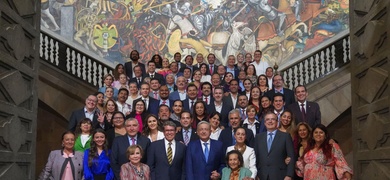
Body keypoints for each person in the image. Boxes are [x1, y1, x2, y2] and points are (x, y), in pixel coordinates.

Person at [254, 112, 295, 180]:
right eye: (267, 119)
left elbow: (291, 157)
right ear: (264, 123)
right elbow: (256, 157)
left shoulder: (285, 136)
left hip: (280, 175)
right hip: (262, 176)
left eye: (273, 119)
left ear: (277, 122)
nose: (270, 121)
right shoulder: (258, 137)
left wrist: (289, 175)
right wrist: (256, 174)